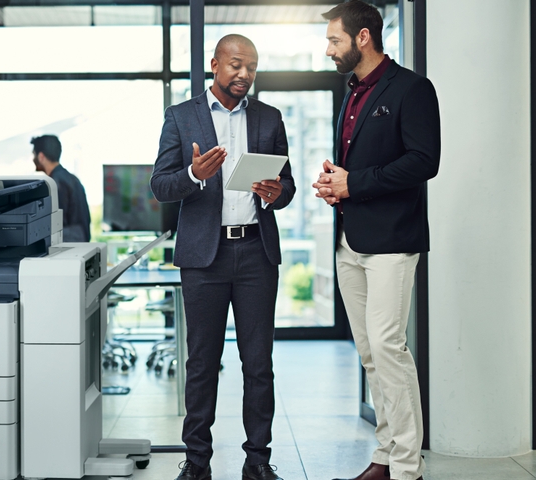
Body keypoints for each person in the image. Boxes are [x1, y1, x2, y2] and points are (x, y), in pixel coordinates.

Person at [150, 34, 295, 480]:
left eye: (251, 67)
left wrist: (276, 193)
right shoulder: (181, 116)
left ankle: (257, 461)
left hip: (255, 252)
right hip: (203, 257)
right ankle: (197, 463)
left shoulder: (269, 117)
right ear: (215, 64)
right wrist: (194, 174)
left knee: (258, 363)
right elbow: (160, 186)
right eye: (235, 65)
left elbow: (285, 186)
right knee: (202, 362)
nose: (244, 75)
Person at [311, 2, 440, 480]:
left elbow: (424, 161)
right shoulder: (351, 93)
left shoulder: (412, 88)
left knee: (389, 348)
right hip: (351, 240)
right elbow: (359, 165)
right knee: (369, 353)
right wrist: (334, 182)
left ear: (362, 37)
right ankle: (385, 456)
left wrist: (354, 183)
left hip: (392, 241)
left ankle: (408, 468)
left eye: (334, 40)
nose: (328, 50)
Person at [31, 134, 91, 242]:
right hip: (80, 245)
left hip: (68, 249)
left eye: (34, 155)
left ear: (41, 157)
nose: (33, 159)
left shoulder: (54, 184)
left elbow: (57, 223)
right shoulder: (72, 179)